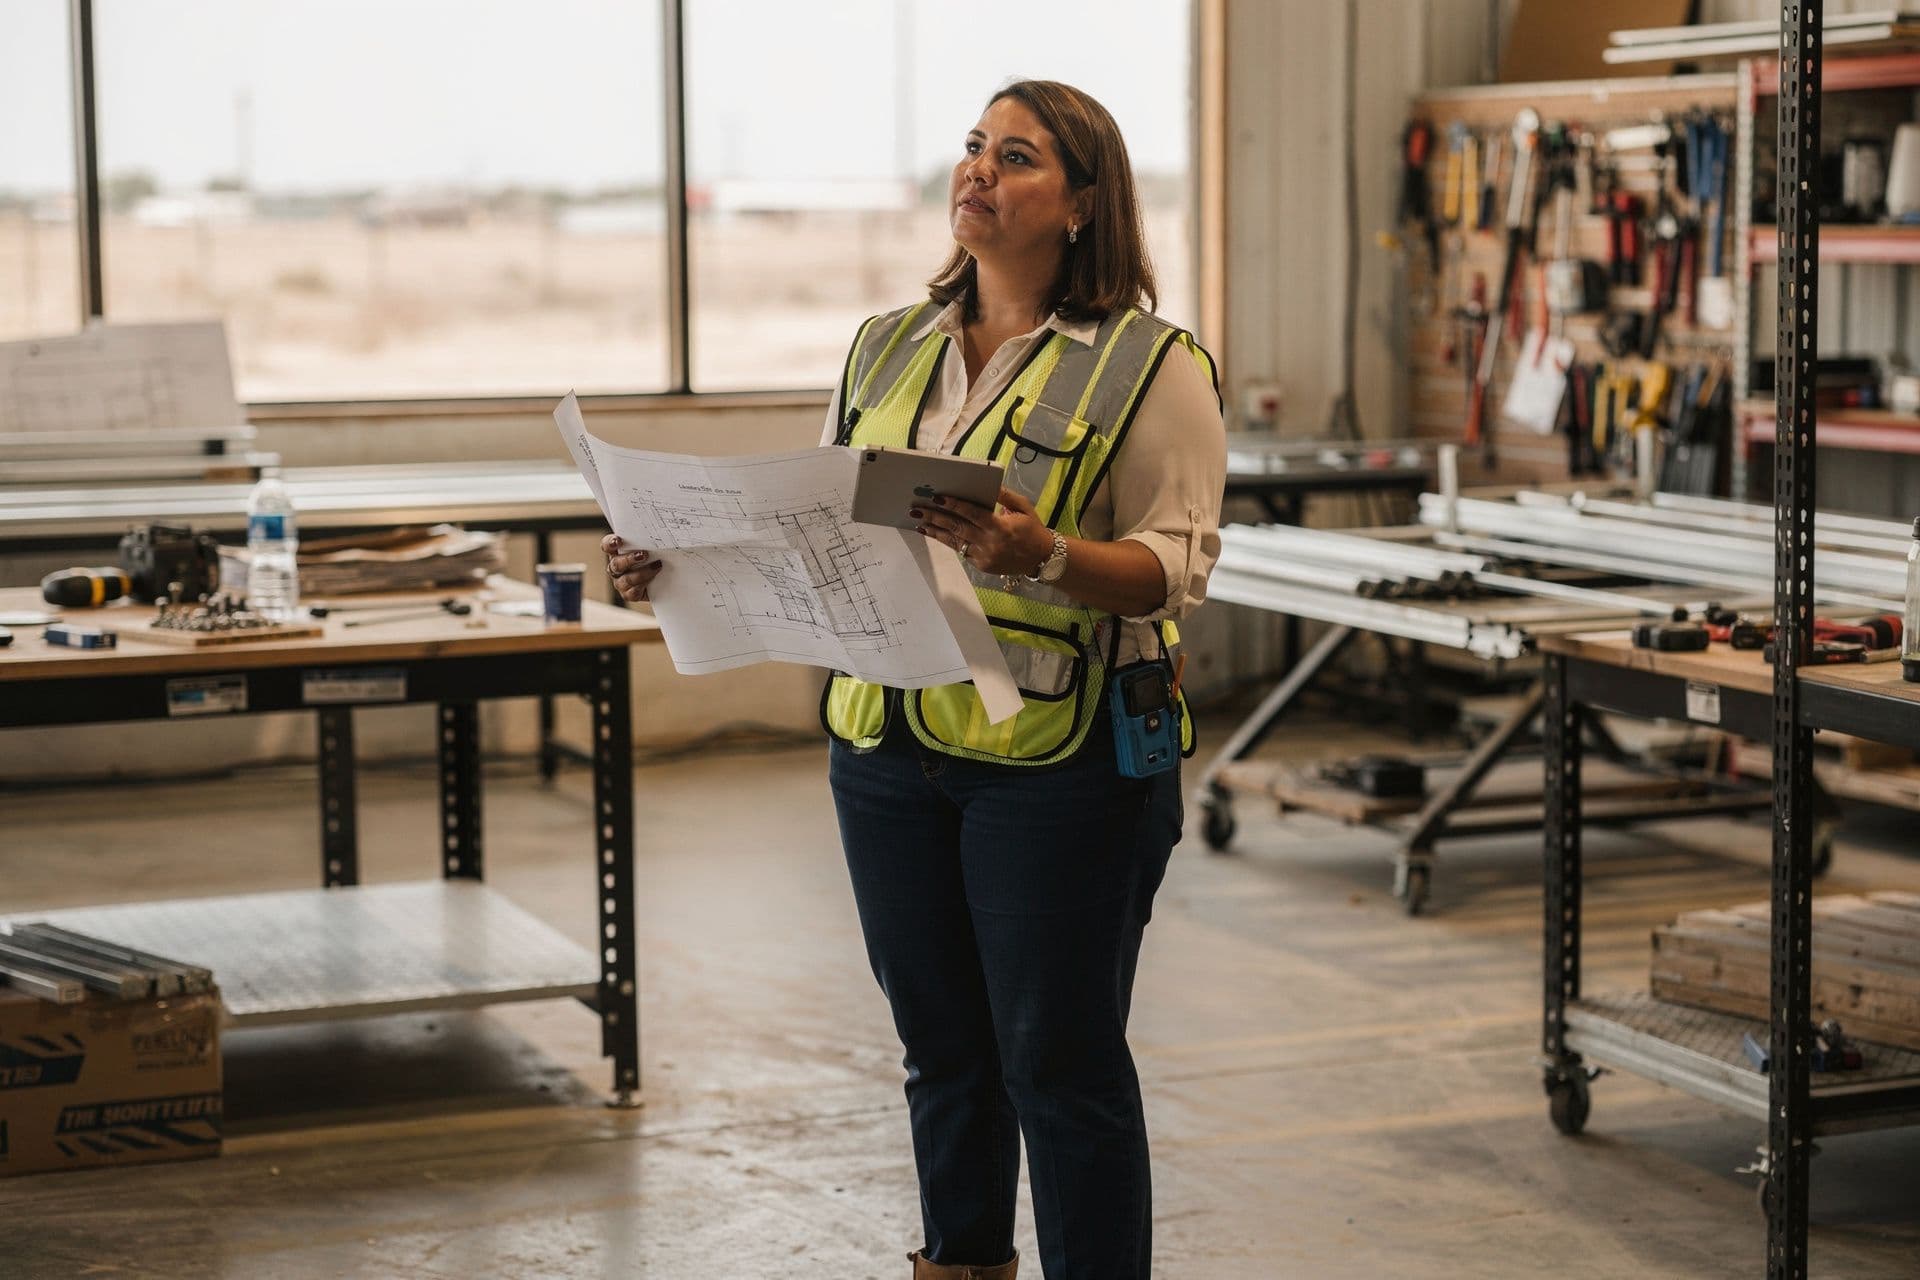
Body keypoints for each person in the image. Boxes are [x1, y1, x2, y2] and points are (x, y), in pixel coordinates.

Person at [605, 79, 1225, 1280]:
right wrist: (669, 558)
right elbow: (817, 522)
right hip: (887, 749)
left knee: (1061, 1062)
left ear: (1085, 203)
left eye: (1019, 156)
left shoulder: (1153, 366)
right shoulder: (888, 345)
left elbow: (1171, 573)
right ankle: (960, 1261)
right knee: (942, 1047)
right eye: (972, 148)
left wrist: (1038, 551)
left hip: (1063, 765)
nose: (977, 173)